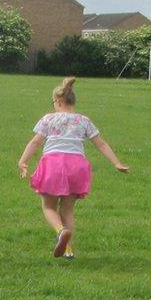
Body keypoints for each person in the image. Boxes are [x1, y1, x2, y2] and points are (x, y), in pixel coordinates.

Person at [17, 77, 129, 258]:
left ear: (59, 101)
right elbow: (101, 144)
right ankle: (68, 249)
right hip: (77, 166)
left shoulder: (48, 119)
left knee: (49, 207)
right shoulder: (83, 120)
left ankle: (60, 231)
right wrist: (117, 163)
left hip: (53, 164)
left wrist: (23, 161)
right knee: (67, 209)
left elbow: (36, 142)